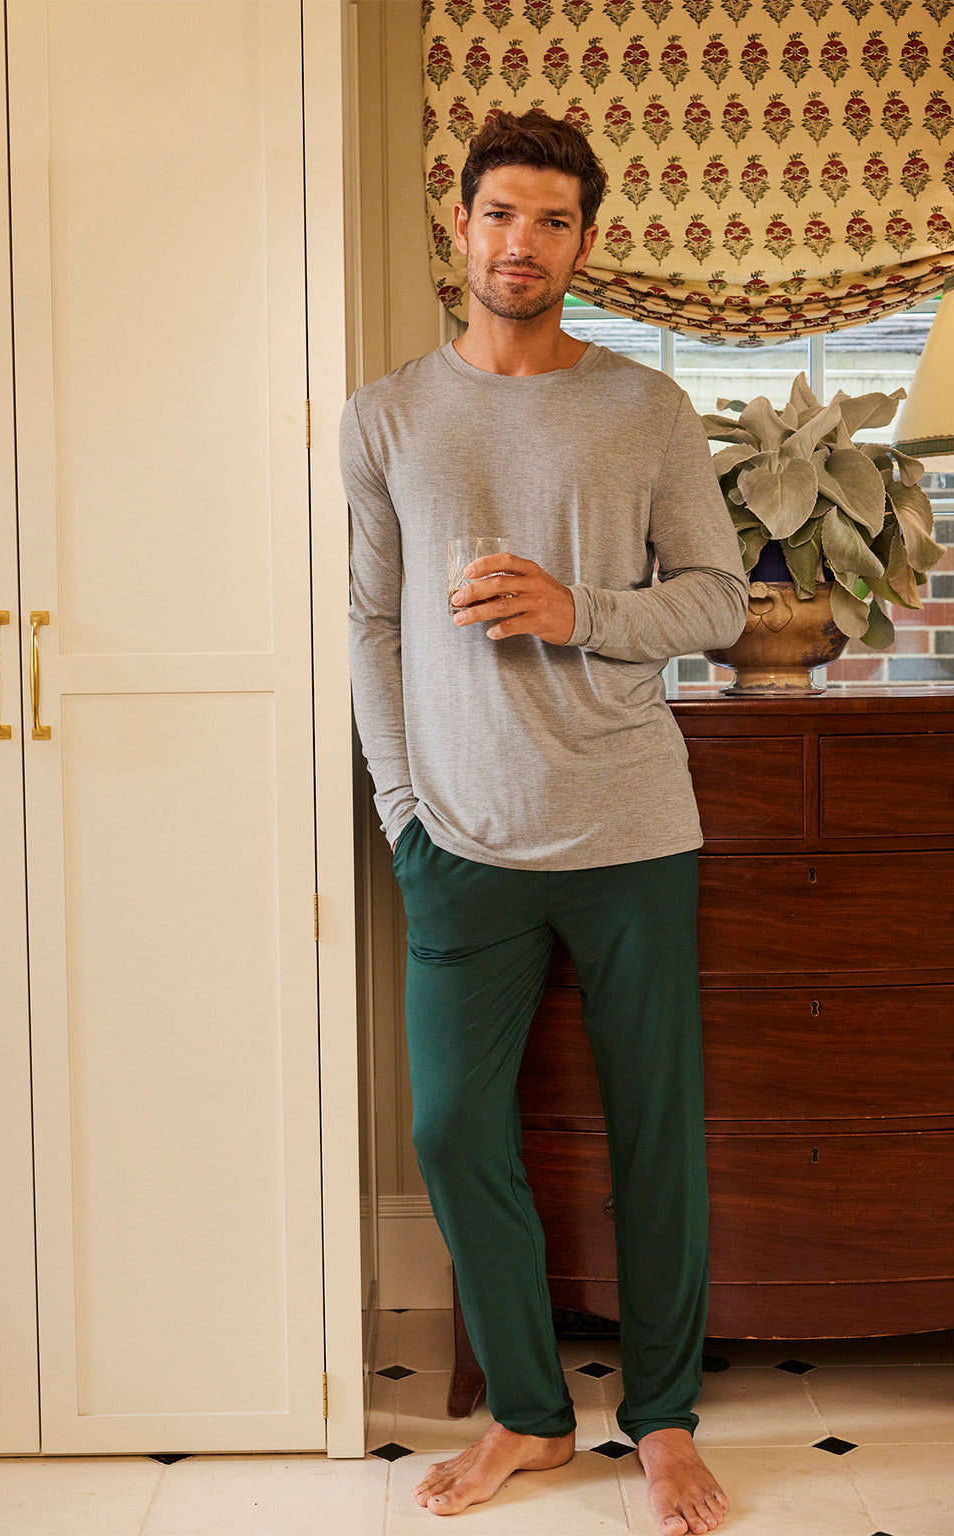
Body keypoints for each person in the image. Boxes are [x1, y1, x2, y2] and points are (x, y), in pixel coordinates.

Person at [341, 108, 746, 1536]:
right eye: (501, 213)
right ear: (460, 224)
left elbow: (716, 597)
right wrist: (404, 809)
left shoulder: (645, 408)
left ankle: (666, 1421)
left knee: (656, 1134)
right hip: (458, 840)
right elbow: (371, 626)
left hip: (633, 827)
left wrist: (583, 613)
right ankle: (529, 1412)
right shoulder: (386, 413)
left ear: (586, 238)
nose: (525, 243)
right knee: (453, 1127)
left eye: (555, 220)